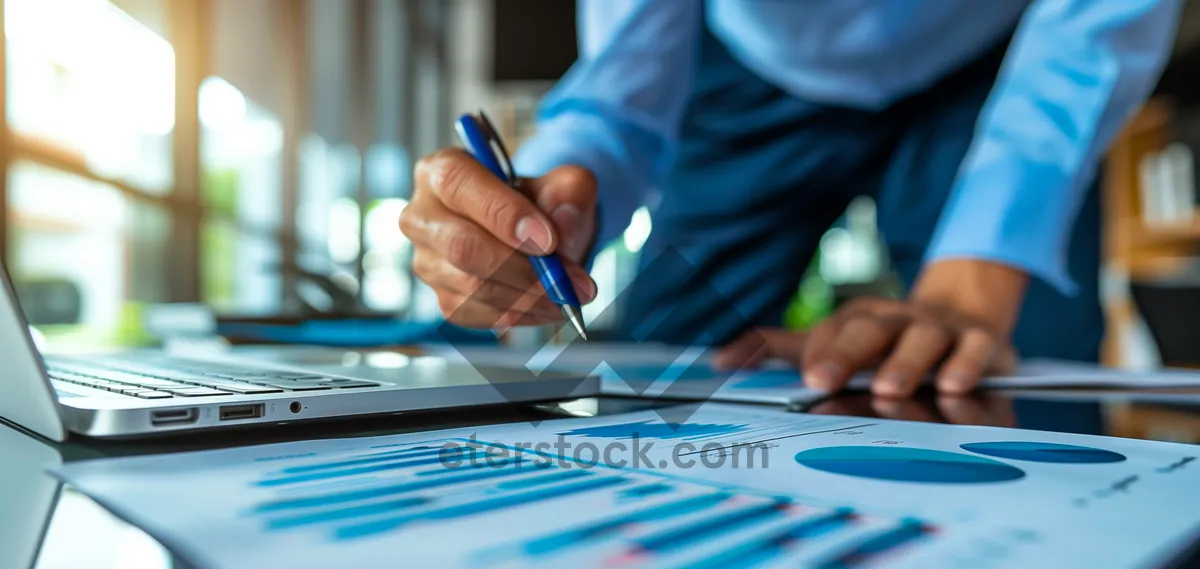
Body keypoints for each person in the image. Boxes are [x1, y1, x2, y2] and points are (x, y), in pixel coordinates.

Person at [399, 0, 1181, 400]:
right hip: (746, 79)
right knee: (668, 380)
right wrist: (562, 187)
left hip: (1002, 71)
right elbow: (623, 77)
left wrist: (970, 292)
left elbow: (1096, 23)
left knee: (1014, 381)